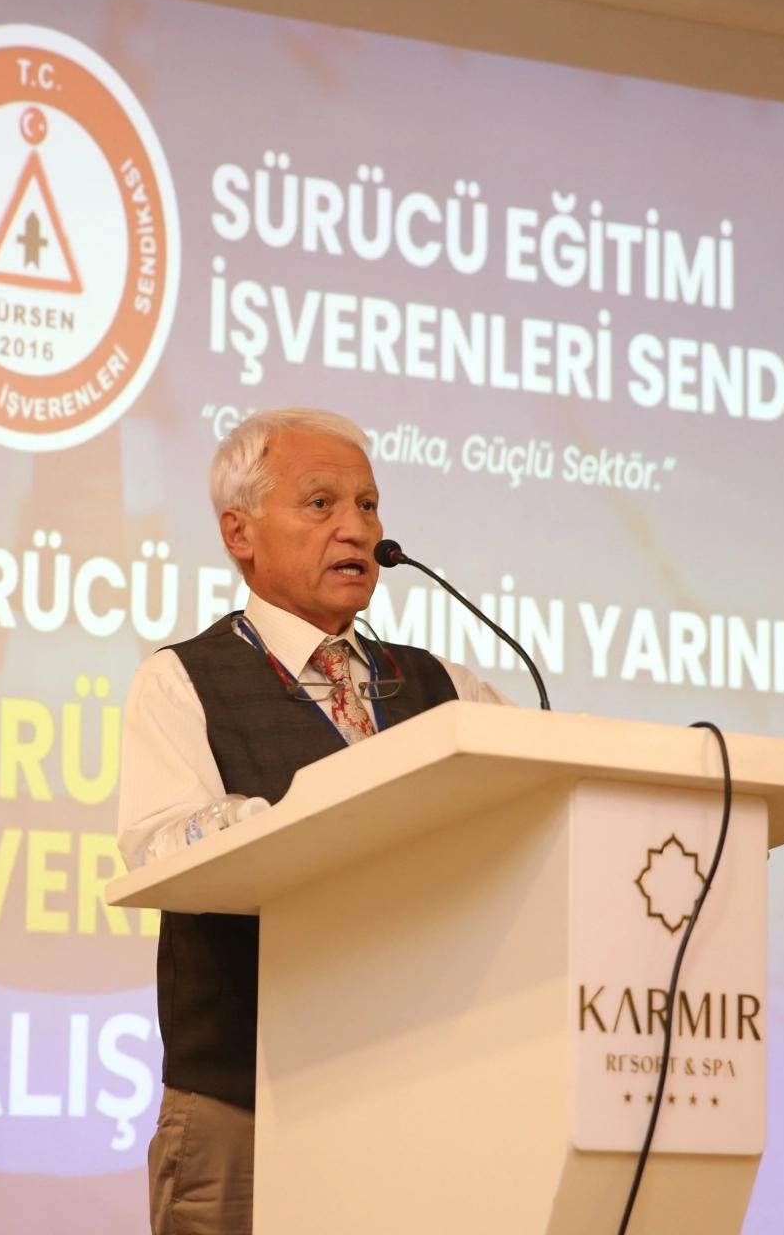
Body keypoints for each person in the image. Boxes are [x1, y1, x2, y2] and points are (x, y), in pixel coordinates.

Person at [118, 407, 507, 1235]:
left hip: (423, 1092)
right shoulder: (182, 682)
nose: (357, 529)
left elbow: (532, 803)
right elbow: (158, 848)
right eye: (321, 504)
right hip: (244, 1107)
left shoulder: (448, 691)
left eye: (368, 506)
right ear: (240, 533)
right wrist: (299, 823)